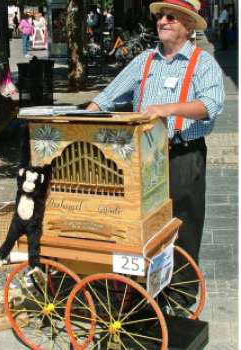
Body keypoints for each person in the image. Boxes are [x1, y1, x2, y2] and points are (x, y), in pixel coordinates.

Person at [87, 0, 224, 317]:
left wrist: (168, 109)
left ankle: (179, 299)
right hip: (141, 158)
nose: (162, 21)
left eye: (170, 17)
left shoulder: (202, 64)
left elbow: (212, 103)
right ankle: (142, 293)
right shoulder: (144, 60)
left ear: (188, 25)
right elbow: (107, 96)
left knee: (182, 227)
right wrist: (83, 121)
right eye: (160, 16)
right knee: (142, 228)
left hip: (181, 155)